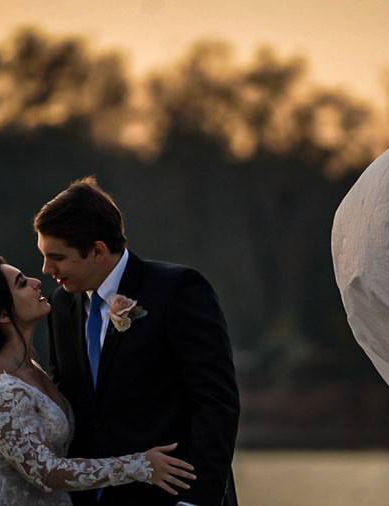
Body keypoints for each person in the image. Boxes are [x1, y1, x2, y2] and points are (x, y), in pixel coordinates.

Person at [34, 177, 240, 506]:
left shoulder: (178, 290)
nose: (47, 269)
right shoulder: (60, 306)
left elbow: (216, 402)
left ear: (98, 250)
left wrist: (197, 500)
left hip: (171, 497)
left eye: (57, 257)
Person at [0, 256, 197, 506]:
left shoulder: (29, 368)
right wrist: (140, 465)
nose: (36, 281)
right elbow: (46, 471)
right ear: (3, 315)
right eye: (21, 283)